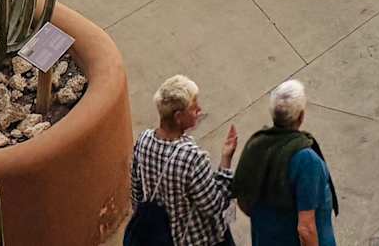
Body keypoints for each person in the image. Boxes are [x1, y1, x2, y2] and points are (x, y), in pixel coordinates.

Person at [128, 73, 239, 246]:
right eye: (194, 107)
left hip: (158, 236)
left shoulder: (144, 141)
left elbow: (137, 191)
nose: (199, 110)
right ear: (178, 117)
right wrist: (226, 162)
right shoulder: (193, 159)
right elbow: (214, 206)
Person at [233, 79, 339, 246]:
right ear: (301, 116)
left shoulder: (256, 146)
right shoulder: (306, 161)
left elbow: (243, 199)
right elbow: (306, 229)